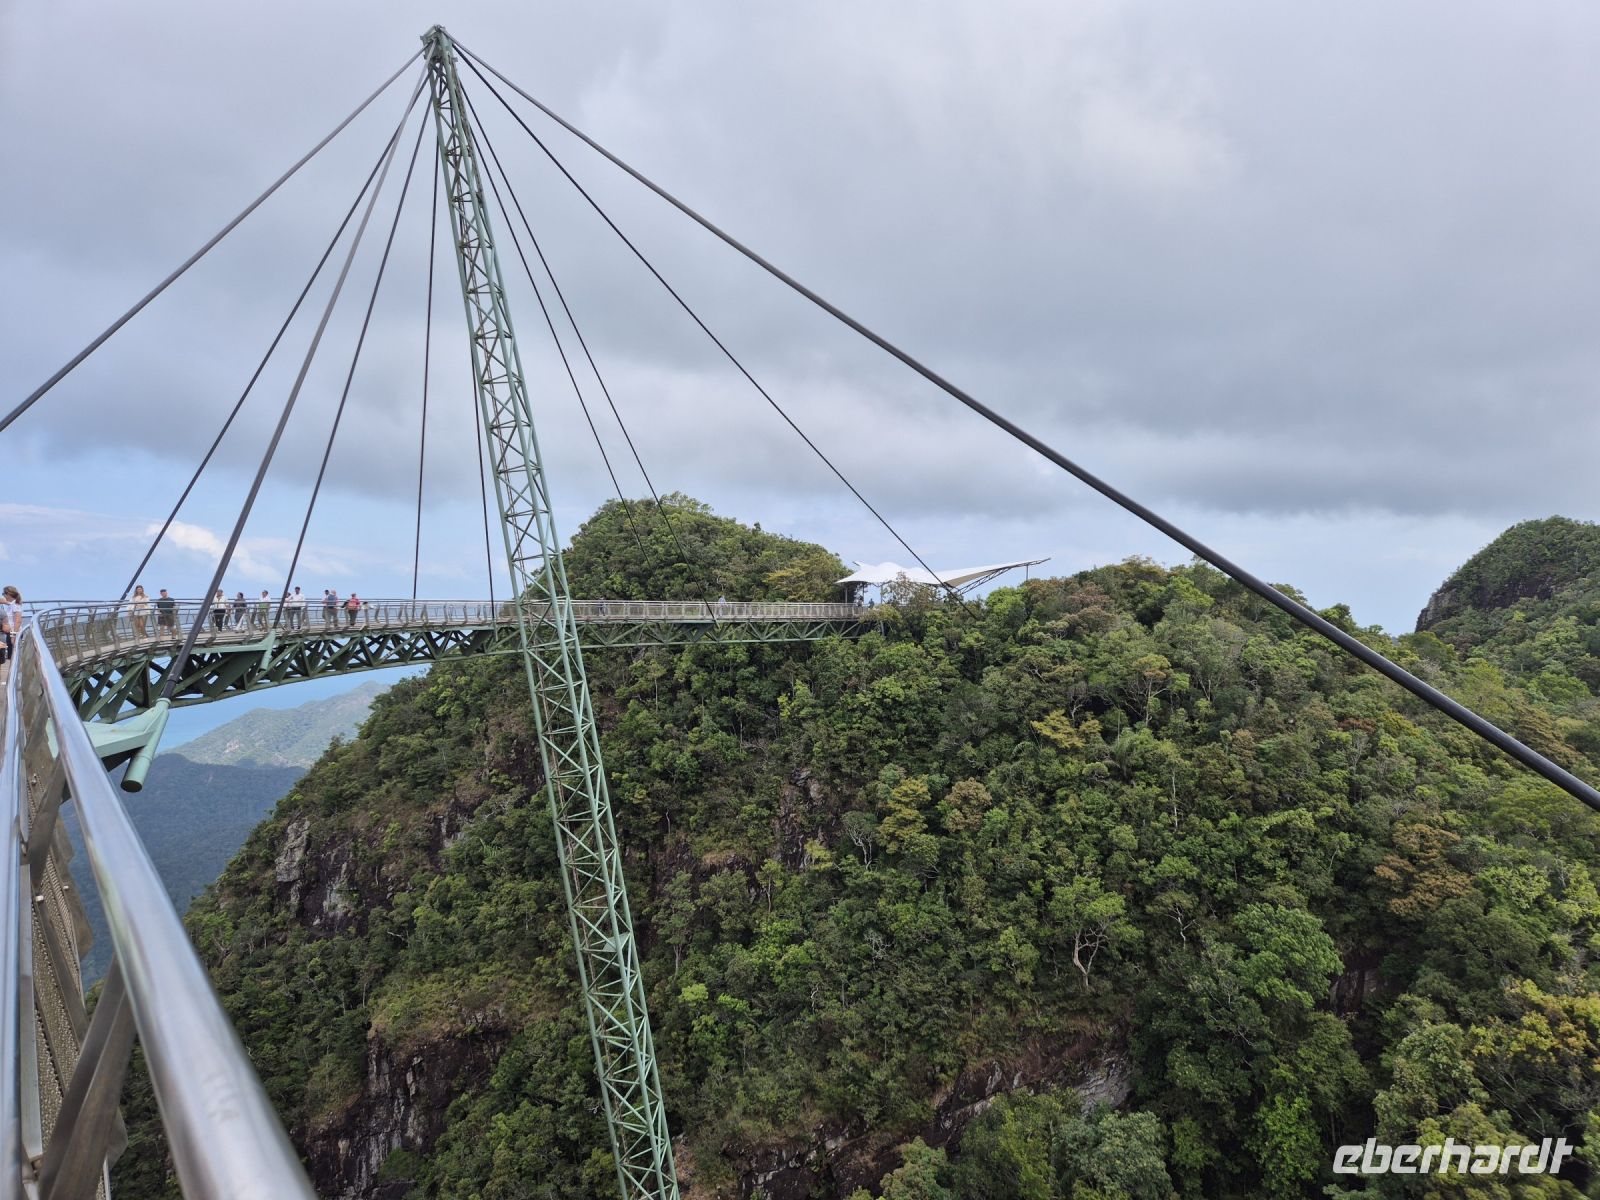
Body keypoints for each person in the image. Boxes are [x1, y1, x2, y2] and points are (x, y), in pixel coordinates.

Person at [0, 587, 18, 665]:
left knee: (12, 657)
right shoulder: (10, 606)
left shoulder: (14, 605)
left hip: (12, 632)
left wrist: (13, 635)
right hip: (9, 633)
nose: (3, 596)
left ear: (9, 594)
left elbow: (17, 622)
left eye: (4, 594)